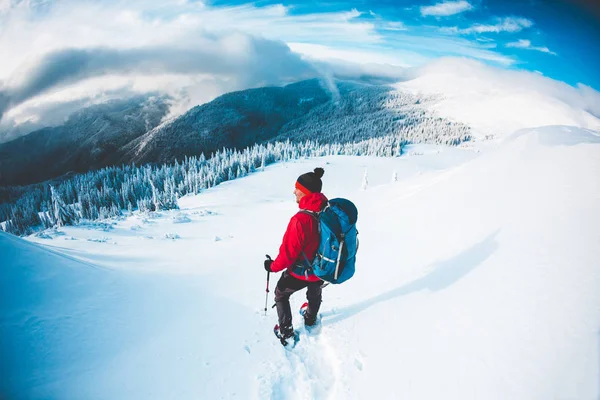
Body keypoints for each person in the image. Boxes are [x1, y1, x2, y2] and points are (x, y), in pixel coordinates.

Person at [264, 167, 328, 340]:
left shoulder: (300, 220)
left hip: (301, 271)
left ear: (306, 192)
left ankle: (286, 331)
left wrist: (272, 266)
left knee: (281, 293)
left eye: (297, 188)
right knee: (315, 290)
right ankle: (310, 318)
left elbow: (287, 254)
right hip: (323, 267)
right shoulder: (327, 210)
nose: (294, 191)